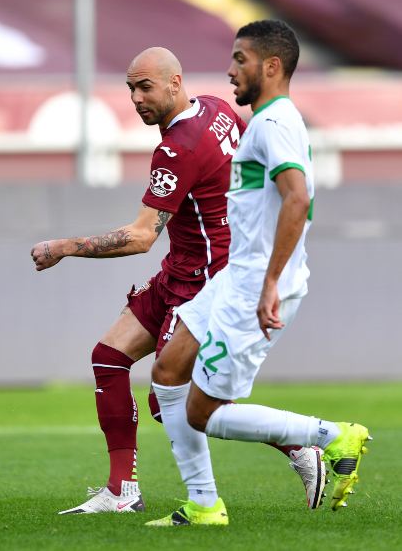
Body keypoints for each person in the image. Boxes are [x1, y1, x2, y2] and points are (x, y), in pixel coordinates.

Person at [30, 46, 323, 515]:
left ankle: (297, 447)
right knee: (109, 357)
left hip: (206, 279)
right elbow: (251, 165)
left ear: (174, 82)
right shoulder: (217, 108)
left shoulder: (177, 148)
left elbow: (142, 235)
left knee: (175, 400)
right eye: (130, 88)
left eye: (145, 86)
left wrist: (65, 247)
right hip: (181, 269)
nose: (135, 98)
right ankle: (122, 490)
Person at [147, 20, 372, 527]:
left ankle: (329, 435)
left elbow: (298, 197)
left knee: (202, 412)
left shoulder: (273, 125)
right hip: (236, 277)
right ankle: (203, 505)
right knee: (166, 374)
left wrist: (269, 283)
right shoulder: (273, 119)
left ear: (272, 66)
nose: (230, 71)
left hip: (254, 286)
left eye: (240, 60)